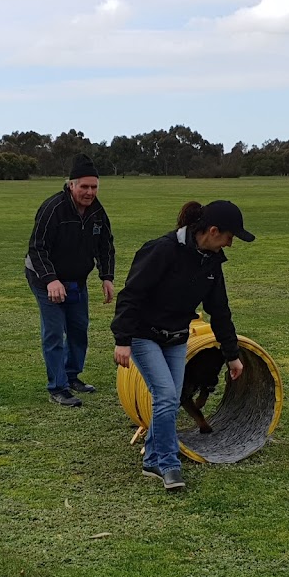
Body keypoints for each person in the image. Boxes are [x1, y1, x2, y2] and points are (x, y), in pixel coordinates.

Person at [111, 200, 254, 490]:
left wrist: (232, 355)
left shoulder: (212, 262)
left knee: (171, 398)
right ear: (213, 231)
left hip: (177, 337)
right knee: (165, 395)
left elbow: (220, 310)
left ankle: (152, 458)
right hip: (143, 335)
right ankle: (168, 464)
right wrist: (122, 340)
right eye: (230, 237)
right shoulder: (161, 250)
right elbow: (131, 295)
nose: (230, 244)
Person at [25, 153, 116, 407]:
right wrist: (51, 280)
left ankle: (72, 375)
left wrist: (107, 277)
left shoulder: (97, 211)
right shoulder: (53, 208)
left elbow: (105, 246)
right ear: (71, 184)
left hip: (77, 279)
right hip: (45, 278)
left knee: (78, 329)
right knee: (54, 331)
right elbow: (37, 248)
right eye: (84, 186)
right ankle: (58, 387)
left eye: (94, 187)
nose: (89, 192)